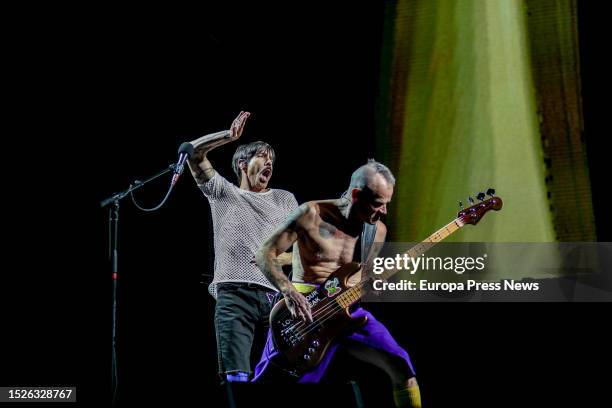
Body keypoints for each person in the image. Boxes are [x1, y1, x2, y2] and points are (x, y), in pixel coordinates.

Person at [253, 160, 421, 407]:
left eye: (387, 203)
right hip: (305, 311)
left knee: (402, 366)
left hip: (347, 309)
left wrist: (376, 284)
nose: (384, 211)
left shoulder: (378, 231)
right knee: (273, 386)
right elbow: (264, 253)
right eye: (377, 203)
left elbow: (365, 277)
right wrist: (288, 291)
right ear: (355, 194)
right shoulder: (311, 214)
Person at [186, 111, 298, 383]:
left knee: (287, 372)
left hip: (276, 299)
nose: (269, 163)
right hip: (234, 295)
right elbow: (192, 152)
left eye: (272, 160)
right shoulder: (223, 192)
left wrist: (270, 261)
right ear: (242, 163)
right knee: (237, 377)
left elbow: (303, 252)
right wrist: (229, 136)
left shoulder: (284, 199)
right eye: (263, 157)